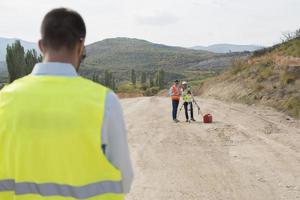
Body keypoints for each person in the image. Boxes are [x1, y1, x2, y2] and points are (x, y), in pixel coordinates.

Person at [0, 8, 133, 200]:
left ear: (40, 46)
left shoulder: (4, 99)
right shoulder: (105, 101)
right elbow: (125, 178)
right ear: (80, 47)